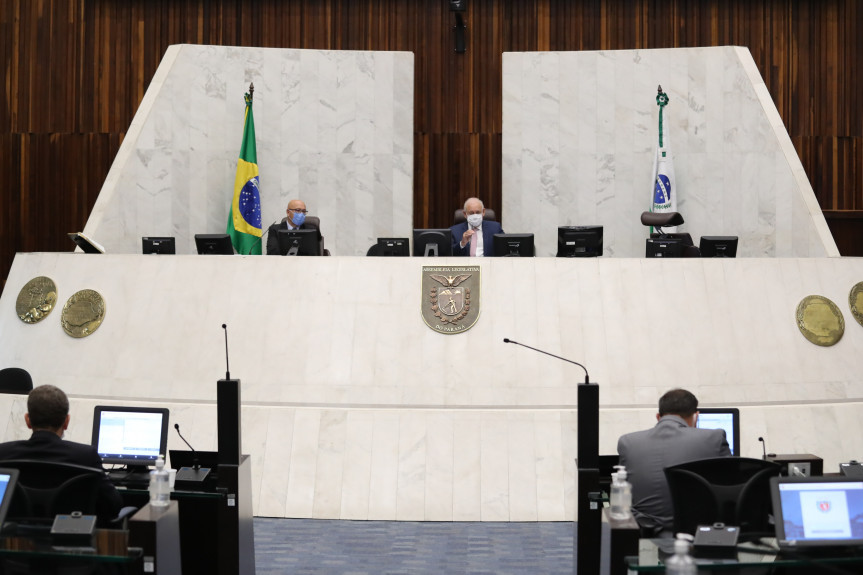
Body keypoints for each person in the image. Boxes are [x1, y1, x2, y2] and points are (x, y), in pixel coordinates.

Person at [617, 388, 731, 537]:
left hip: (645, 538)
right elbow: (730, 490)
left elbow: (625, 494)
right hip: (698, 538)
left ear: (658, 417)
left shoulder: (628, 442)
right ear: (696, 416)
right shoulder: (714, 438)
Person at [0, 384, 123, 520]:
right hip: (70, 539)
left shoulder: (3, 454)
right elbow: (113, 506)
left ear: (27, 420)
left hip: (14, 538)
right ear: (66, 422)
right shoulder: (86, 456)